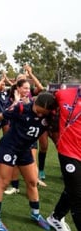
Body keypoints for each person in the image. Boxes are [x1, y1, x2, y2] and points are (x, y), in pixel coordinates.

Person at [0, 92, 57, 230]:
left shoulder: (49, 116)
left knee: (32, 181)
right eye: (39, 111)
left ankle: (35, 214)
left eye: (44, 113)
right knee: (4, 182)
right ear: (34, 104)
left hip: (25, 150)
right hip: (9, 148)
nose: (40, 115)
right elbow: (0, 116)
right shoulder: (22, 108)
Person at [46, 86, 81, 230]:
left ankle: (55, 217)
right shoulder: (63, 94)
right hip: (68, 152)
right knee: (78, 195)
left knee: (72, 188)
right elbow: (45, 105)